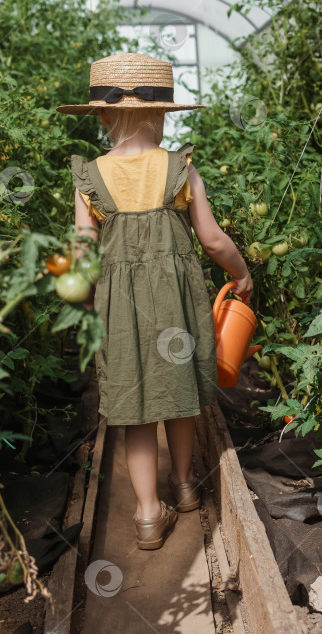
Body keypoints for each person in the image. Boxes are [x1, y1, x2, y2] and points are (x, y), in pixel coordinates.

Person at [56, 52, 253, 550]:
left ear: (100, 116)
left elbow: (81, 253)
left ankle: (147, 514)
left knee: (134, 409)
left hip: (121, 311)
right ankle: (186, 487)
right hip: (176, 302)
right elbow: (211, 240)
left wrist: (80, 293)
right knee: (179, 397)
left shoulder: (90, 177)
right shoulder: (180, 167)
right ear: (164, 114)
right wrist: (242, 271)